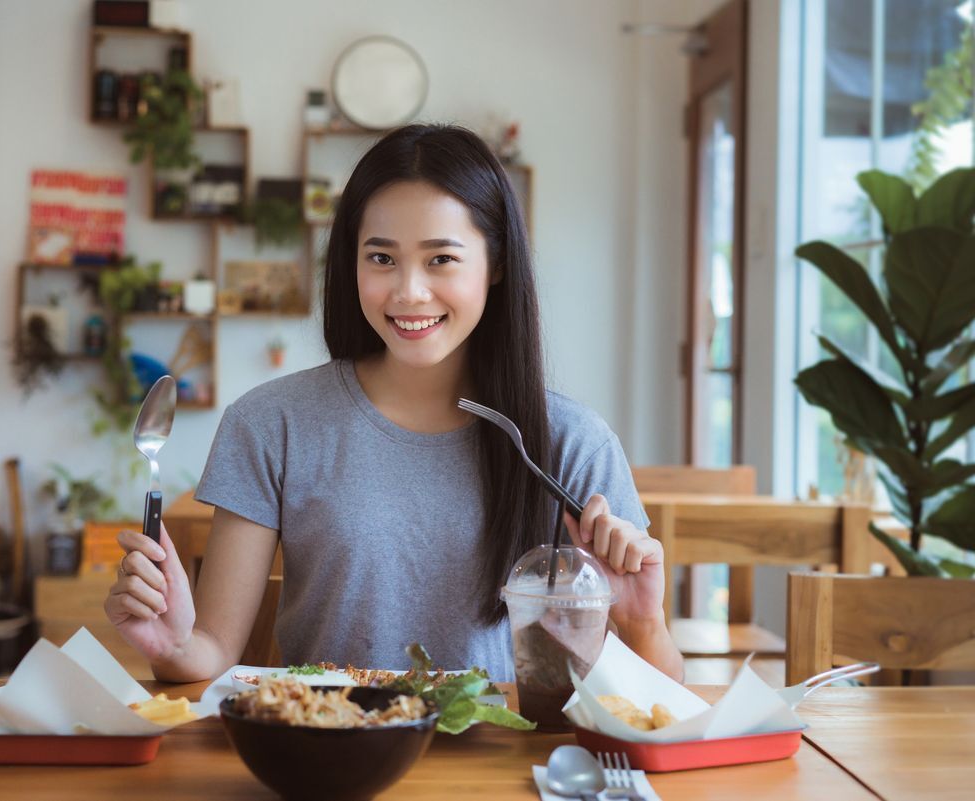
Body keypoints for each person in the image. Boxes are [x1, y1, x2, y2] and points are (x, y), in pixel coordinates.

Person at [105, 124, 683, 684]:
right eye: (381, 258)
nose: (408, 291)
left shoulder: (571, 443)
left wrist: (642, 625)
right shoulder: (268, 423)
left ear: (497, 265)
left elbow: (663, 703)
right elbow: (210, 651)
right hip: (327, 755)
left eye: (441, 259)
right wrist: (175, 645)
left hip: (498, 771)